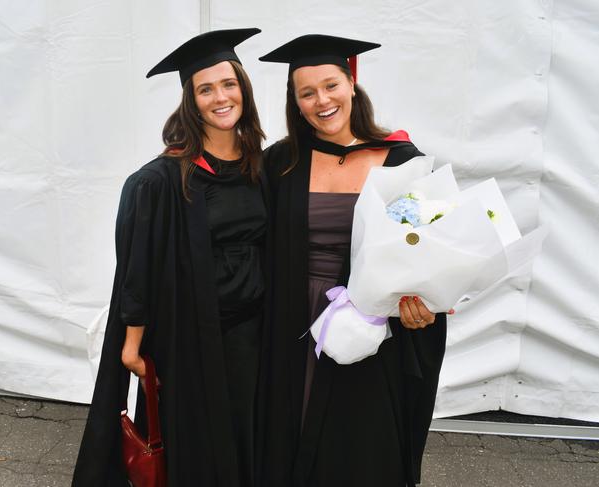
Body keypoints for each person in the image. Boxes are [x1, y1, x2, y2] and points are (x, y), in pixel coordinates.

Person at [72, 28, 268, 487]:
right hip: (192, 339)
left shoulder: (262, 165)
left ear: (244, 89)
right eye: (205, 89)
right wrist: (132, 343)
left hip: (256, 337)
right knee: (195, 452)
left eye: (229, 84)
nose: (220, 97)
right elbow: (137, 269)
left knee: (248, 442)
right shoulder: (161, 180)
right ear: (190, 100)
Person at [257, 35, 447, 487]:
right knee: (290, 436)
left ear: (352, 84)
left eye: (330, 85)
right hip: (294, 321)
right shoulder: (281, 163)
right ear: (296, 103)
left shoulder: (402, 163)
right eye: (307, 93)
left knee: (359, 444)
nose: (321, 100)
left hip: (368, 322)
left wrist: (424, 302)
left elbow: (427, 249)